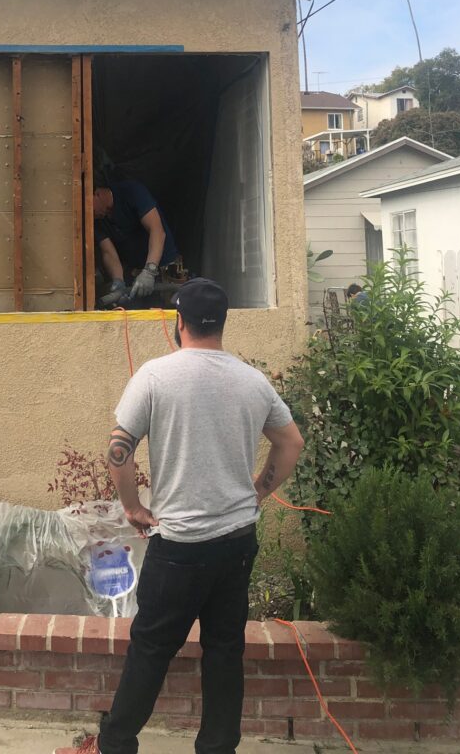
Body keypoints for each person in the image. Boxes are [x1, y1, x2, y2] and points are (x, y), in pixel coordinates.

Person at [88, 278, 304, 754]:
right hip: (235, 542)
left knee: (151, 648)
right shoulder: (252, 381)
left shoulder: (155, 376)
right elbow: (291, 443)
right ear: (223, 323)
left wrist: (131, 507)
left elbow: (118, 449)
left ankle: (115, 744)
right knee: (225, 650)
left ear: (178, 323)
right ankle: (217, 748)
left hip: (179, 547)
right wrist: (258, 493)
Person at [94, 180, 179, 304]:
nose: (90, 214)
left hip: (163, 269)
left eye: (88, 206)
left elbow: (157, 231)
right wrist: (118, 281)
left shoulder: (132, 191)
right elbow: (108, 252)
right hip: (135, 274)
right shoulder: (96, 219)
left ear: (98, 194)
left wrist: (149, 271)